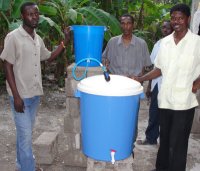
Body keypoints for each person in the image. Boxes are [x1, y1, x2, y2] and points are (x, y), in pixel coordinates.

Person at [0, 2, 70, 171]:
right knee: (25, 137)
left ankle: (21, 165)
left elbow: (48, 57)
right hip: (20, 96)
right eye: (30, 14)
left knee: (25, 135)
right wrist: (16, 96)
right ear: (22, 16)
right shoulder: (13, 37)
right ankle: (28, 168)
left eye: (36, 14)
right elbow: (7, 66)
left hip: (34, 94)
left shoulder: (37, 38)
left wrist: (65, 42)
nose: (34, 17)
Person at [133, 4, 200, 171]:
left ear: (188, 19)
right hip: (165, 101)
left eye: (180, 18)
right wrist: (141, 78)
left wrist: (197, 84)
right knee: (165, 140)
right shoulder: (165, 43)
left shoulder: (196, 42)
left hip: (184, 103)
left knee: (178, 143)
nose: (176, 22)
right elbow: (159, 69)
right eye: (173, 18)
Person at [137, 20, 173, 145]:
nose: (165, 30)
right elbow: (153, 67)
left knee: (167, 114)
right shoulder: (158, 44)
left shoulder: (176, 43)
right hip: (157, 83)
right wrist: (149, 87)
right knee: (154, 112)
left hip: (169, 85)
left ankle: (165, 141)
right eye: (163, 28)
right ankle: (151, 138)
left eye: (168, 28)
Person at [102, 13, 151, 78]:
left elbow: (147, 66)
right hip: (114, 81)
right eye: (123, 23)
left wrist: (140, 78)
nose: (126, 26)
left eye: (128, 23)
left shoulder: (142, 44)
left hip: (134, 83)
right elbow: (103, 59)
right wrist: (105, 64)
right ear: (120, 25)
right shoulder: (112, 42)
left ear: (133, 25)